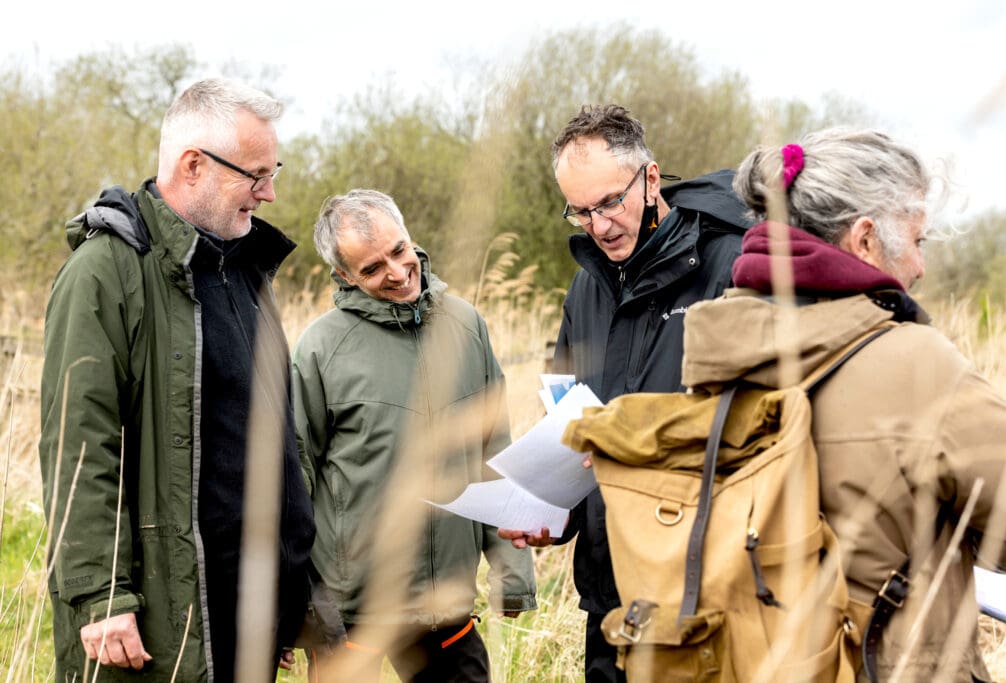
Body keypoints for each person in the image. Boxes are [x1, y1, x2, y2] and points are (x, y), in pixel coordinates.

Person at [678, 127, 1006, 681]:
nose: (920, 268)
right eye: (918, 241)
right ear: (864, 240)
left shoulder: (717, 348)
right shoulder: (916, 363)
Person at [38, 78, 315, 681]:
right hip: (159, 622)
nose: (269, 193)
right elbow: (78, 446)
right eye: (257, 174)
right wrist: (100, 595)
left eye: (274, 171)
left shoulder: (245, 273)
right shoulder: (104, 273)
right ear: (194, 165)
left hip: (249, 617)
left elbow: (277, 447)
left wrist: (292, 595)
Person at [498, 104, 744, 682]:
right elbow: (567, 419)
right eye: (580, 211)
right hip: (607, 598)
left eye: (611, 202)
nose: (599, 225)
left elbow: (755, 425)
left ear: (651, 179)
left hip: (697, 597)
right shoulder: (585, 289)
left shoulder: (731, 266)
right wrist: (552, 512)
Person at [291, 189, 537, 681]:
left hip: (446, 606)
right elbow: (294, 482)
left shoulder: (466, 325)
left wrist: (513, 573)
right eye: (372, 268)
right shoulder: (320, 348)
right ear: (344, 276)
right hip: (351, 614)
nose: (398, 272)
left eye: (399, 251)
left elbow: (495, 452)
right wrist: (295, 609)